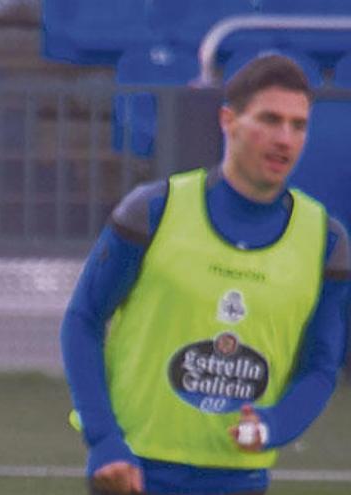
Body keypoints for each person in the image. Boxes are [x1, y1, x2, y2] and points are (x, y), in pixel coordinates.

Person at [61, 54, 350, 495]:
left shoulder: (326, 242)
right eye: (270, 120)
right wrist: (103, 439)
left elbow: (321, 366)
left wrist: (275, 425)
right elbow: (83, 319)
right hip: (134, 472)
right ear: (228, 120)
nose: (284, 138)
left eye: (298, 124)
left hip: (240, 478)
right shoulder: (153, 210)